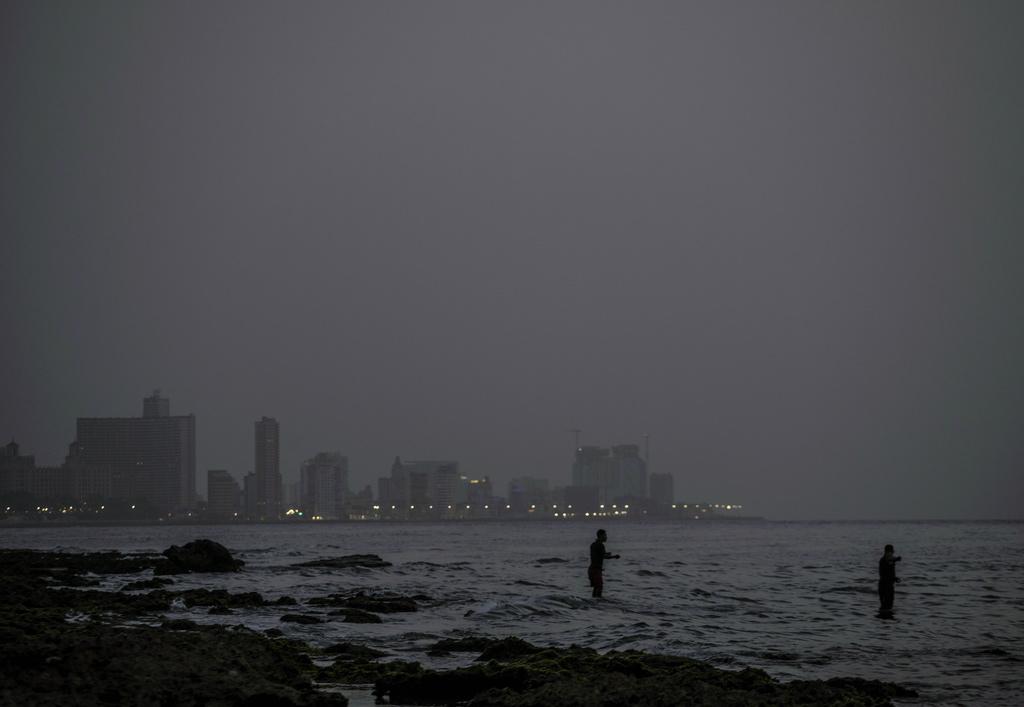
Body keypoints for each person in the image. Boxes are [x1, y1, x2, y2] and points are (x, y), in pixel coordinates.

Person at [588, 528, 620, 598]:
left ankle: (594, 601)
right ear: (600, 535)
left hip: (591, 569)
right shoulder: (601, 545)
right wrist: (614, 556)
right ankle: (598, 602)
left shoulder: (593, 544)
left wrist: (606, 554)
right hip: (596, 569)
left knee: (596, 587)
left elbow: (597, 554)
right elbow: (605, 556)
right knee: (599, 587)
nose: (606, 537)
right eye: (605, 535)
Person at [878, 544, 902, 613]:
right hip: (887, 584)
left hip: (883, 583)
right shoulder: (888, 556)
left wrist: (894, 578)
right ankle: (887, 621)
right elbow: (890, 558)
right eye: (892, 551)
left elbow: (887, 572)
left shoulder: (884, 560)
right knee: (887, 606)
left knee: (884, 606)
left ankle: (882, 621)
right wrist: (897, 558)